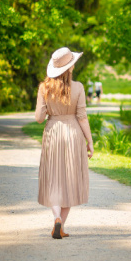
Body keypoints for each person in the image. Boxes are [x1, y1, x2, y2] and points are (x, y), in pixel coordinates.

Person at [35, 47, 94, 239]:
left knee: (54, 179)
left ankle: (56, 218)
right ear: (69, 67)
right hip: (73, 134)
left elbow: (38, 118)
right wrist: (90, 141)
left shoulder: (44, 88)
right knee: (69, 180)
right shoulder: (78, 87)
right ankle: (61, 223)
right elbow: (82, 117)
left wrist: (48, 107)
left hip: (52, 132)